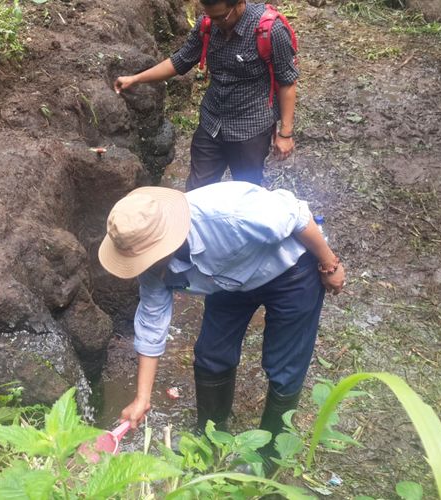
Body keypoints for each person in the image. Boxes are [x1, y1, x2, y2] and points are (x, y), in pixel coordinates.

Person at [98, 181, 345, 467]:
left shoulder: (231, 215)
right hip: (228, 282)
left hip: (290, 269)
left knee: (283, 365)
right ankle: (211, 436)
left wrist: (330, 265)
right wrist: (142, 397)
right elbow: (152, 323)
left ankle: (269, 457)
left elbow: (298, 215)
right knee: (211, 354)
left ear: (167, 241)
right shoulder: (152, 267)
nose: (143, 265)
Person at [114, 0, 298, 191]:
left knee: (246, 193)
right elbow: (180, 61)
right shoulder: (207, 25)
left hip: (250, 127)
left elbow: (287, 82)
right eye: (210, 16)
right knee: (197, 189)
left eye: (220, 17)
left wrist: (285, 133)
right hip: (212, 123)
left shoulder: (270, 31)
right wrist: (135, 79)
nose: (215, 22)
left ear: (239, 4)